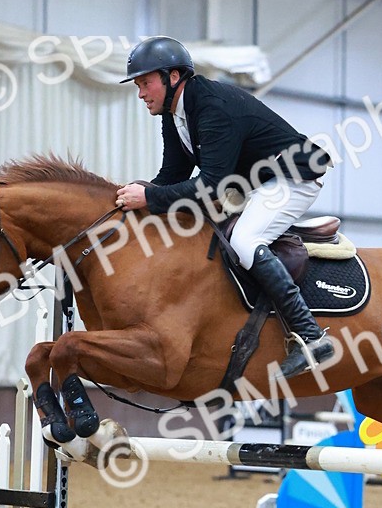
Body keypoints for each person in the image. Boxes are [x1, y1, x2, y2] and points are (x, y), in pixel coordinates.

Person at [117, 35, 335, 379]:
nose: (141, 93)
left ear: (173, 77)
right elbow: (172, 175)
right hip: (253, 183)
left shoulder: (212, 105)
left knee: (245, 240)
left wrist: (150, 198)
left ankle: (311, 337)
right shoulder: (173, 113)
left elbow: (211, 185)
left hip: (293, 178)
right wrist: (137, 197)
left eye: (145, 83)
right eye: (138, 85)